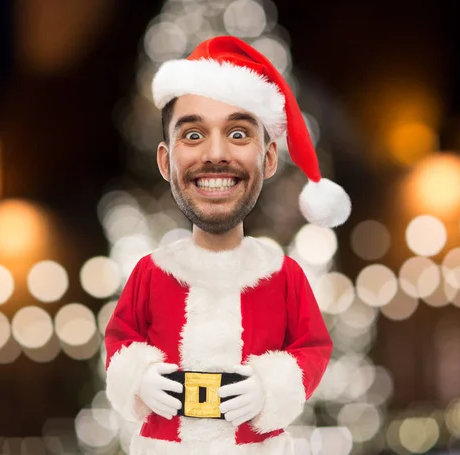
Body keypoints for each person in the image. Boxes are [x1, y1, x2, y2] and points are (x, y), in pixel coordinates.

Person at [104, 35, 351, 455]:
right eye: (194, 135)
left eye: (238, 133)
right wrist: (139, 377)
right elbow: (120, 340)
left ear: (269, 158)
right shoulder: (151, 272)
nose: (216, 153)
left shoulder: (282, 275)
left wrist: (272, 387)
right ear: (166, 162)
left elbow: (312, 348)